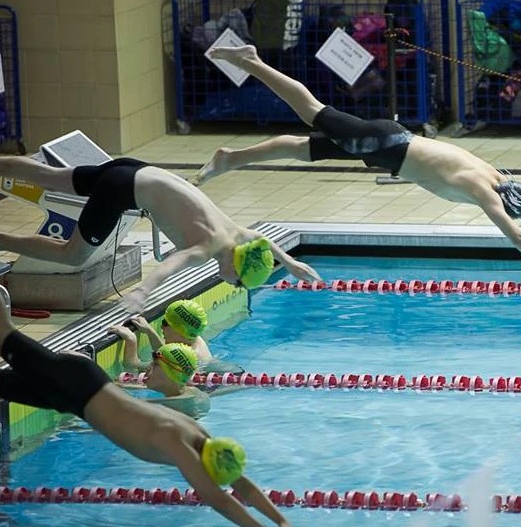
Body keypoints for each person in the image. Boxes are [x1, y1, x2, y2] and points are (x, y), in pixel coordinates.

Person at [198, 45, 521, 298]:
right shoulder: (484, 190)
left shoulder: (496, 176)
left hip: (389, 141)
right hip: (383, 145)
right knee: (312, 112)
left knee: (306, 149)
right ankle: (253, 62)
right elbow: (520, 238)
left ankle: (231, 158)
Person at [0, 288, 290, 527]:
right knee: (4, 332)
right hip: (77, 385)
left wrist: (282, 522)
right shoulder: (176, 440)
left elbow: (242, 485)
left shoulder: (198, 435)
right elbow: (217, 498)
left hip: (74, 395)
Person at [0, 156, 321, 311]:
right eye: (238, 281)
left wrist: (290, 264)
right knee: (72, 255)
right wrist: (143, 292)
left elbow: (260, 239)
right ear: (236, 268)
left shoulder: (236, 236)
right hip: (122, 189)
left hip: (137, 168)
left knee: (51, 177)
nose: (233, 284)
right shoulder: (208, 248)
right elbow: (170, 266)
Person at [108, 327, 211, 418]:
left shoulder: (173, 405)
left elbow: (127, 407)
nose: (148, 368)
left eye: (155, 365)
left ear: (170, 373)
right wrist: (126, 386)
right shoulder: (190, 391)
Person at [127, 299, 212, 364]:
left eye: (165, 323)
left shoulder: (187, 357)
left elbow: (132, 365)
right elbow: (164, 353)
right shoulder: (192, 334)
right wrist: (149, 332)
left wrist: (131, 340)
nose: (161, 327)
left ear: (180, 332)